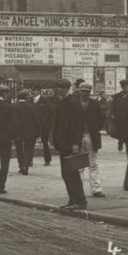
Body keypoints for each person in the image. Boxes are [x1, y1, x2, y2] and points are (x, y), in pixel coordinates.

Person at [52, 79, 88, 210]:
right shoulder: (62, 101)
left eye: (62, 87)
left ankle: (80, 201)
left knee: (71, 173)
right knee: (66, 173)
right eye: (58, 87)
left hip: (69, 143)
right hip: (63, 143)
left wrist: (76, 143)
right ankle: (73, 199)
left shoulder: (73, 102)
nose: (60, 89)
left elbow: (78, 125)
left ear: (68, 88)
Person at [74, 83, 105, 197]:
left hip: (91, 135)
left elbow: (101, 119)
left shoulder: (95, 104)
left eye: (87, 91)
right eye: (83, 91)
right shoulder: (74, 104)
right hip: (77, 136)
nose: (85, 93)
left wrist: (94, 128)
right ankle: (79, 189)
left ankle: (96, 189)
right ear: (79, 91)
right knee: (79, 164)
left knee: (93, 163)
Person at [13, 90, 38, 175]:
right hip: (29, 131)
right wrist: (37, 132)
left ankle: (21, 165)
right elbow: (35, 120)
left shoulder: (14, 107)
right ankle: (25, 165)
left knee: (19, 149)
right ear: (25, 98)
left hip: (17, 132)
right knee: (28, 149)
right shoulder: (31, 107)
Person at [33, 90, 54, 165]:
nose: (33, 92)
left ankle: (47, 159)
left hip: (43, 125)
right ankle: (29, 160)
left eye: (34, 90)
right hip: (35, 125)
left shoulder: (45, 100)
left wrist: (46, 121)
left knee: (45, 142)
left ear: (38, 91)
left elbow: (50, 111)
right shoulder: (32, 100)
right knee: (32, 143)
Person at [110, 79, 128, 152]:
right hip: (119, 117)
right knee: (121, 131)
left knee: (127, 131)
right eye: (124, 86)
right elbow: (113, 106)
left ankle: (125, 143)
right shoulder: (117, 96)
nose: (125, 87)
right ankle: (121, 142)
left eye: (126, 86)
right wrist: (112, 114)